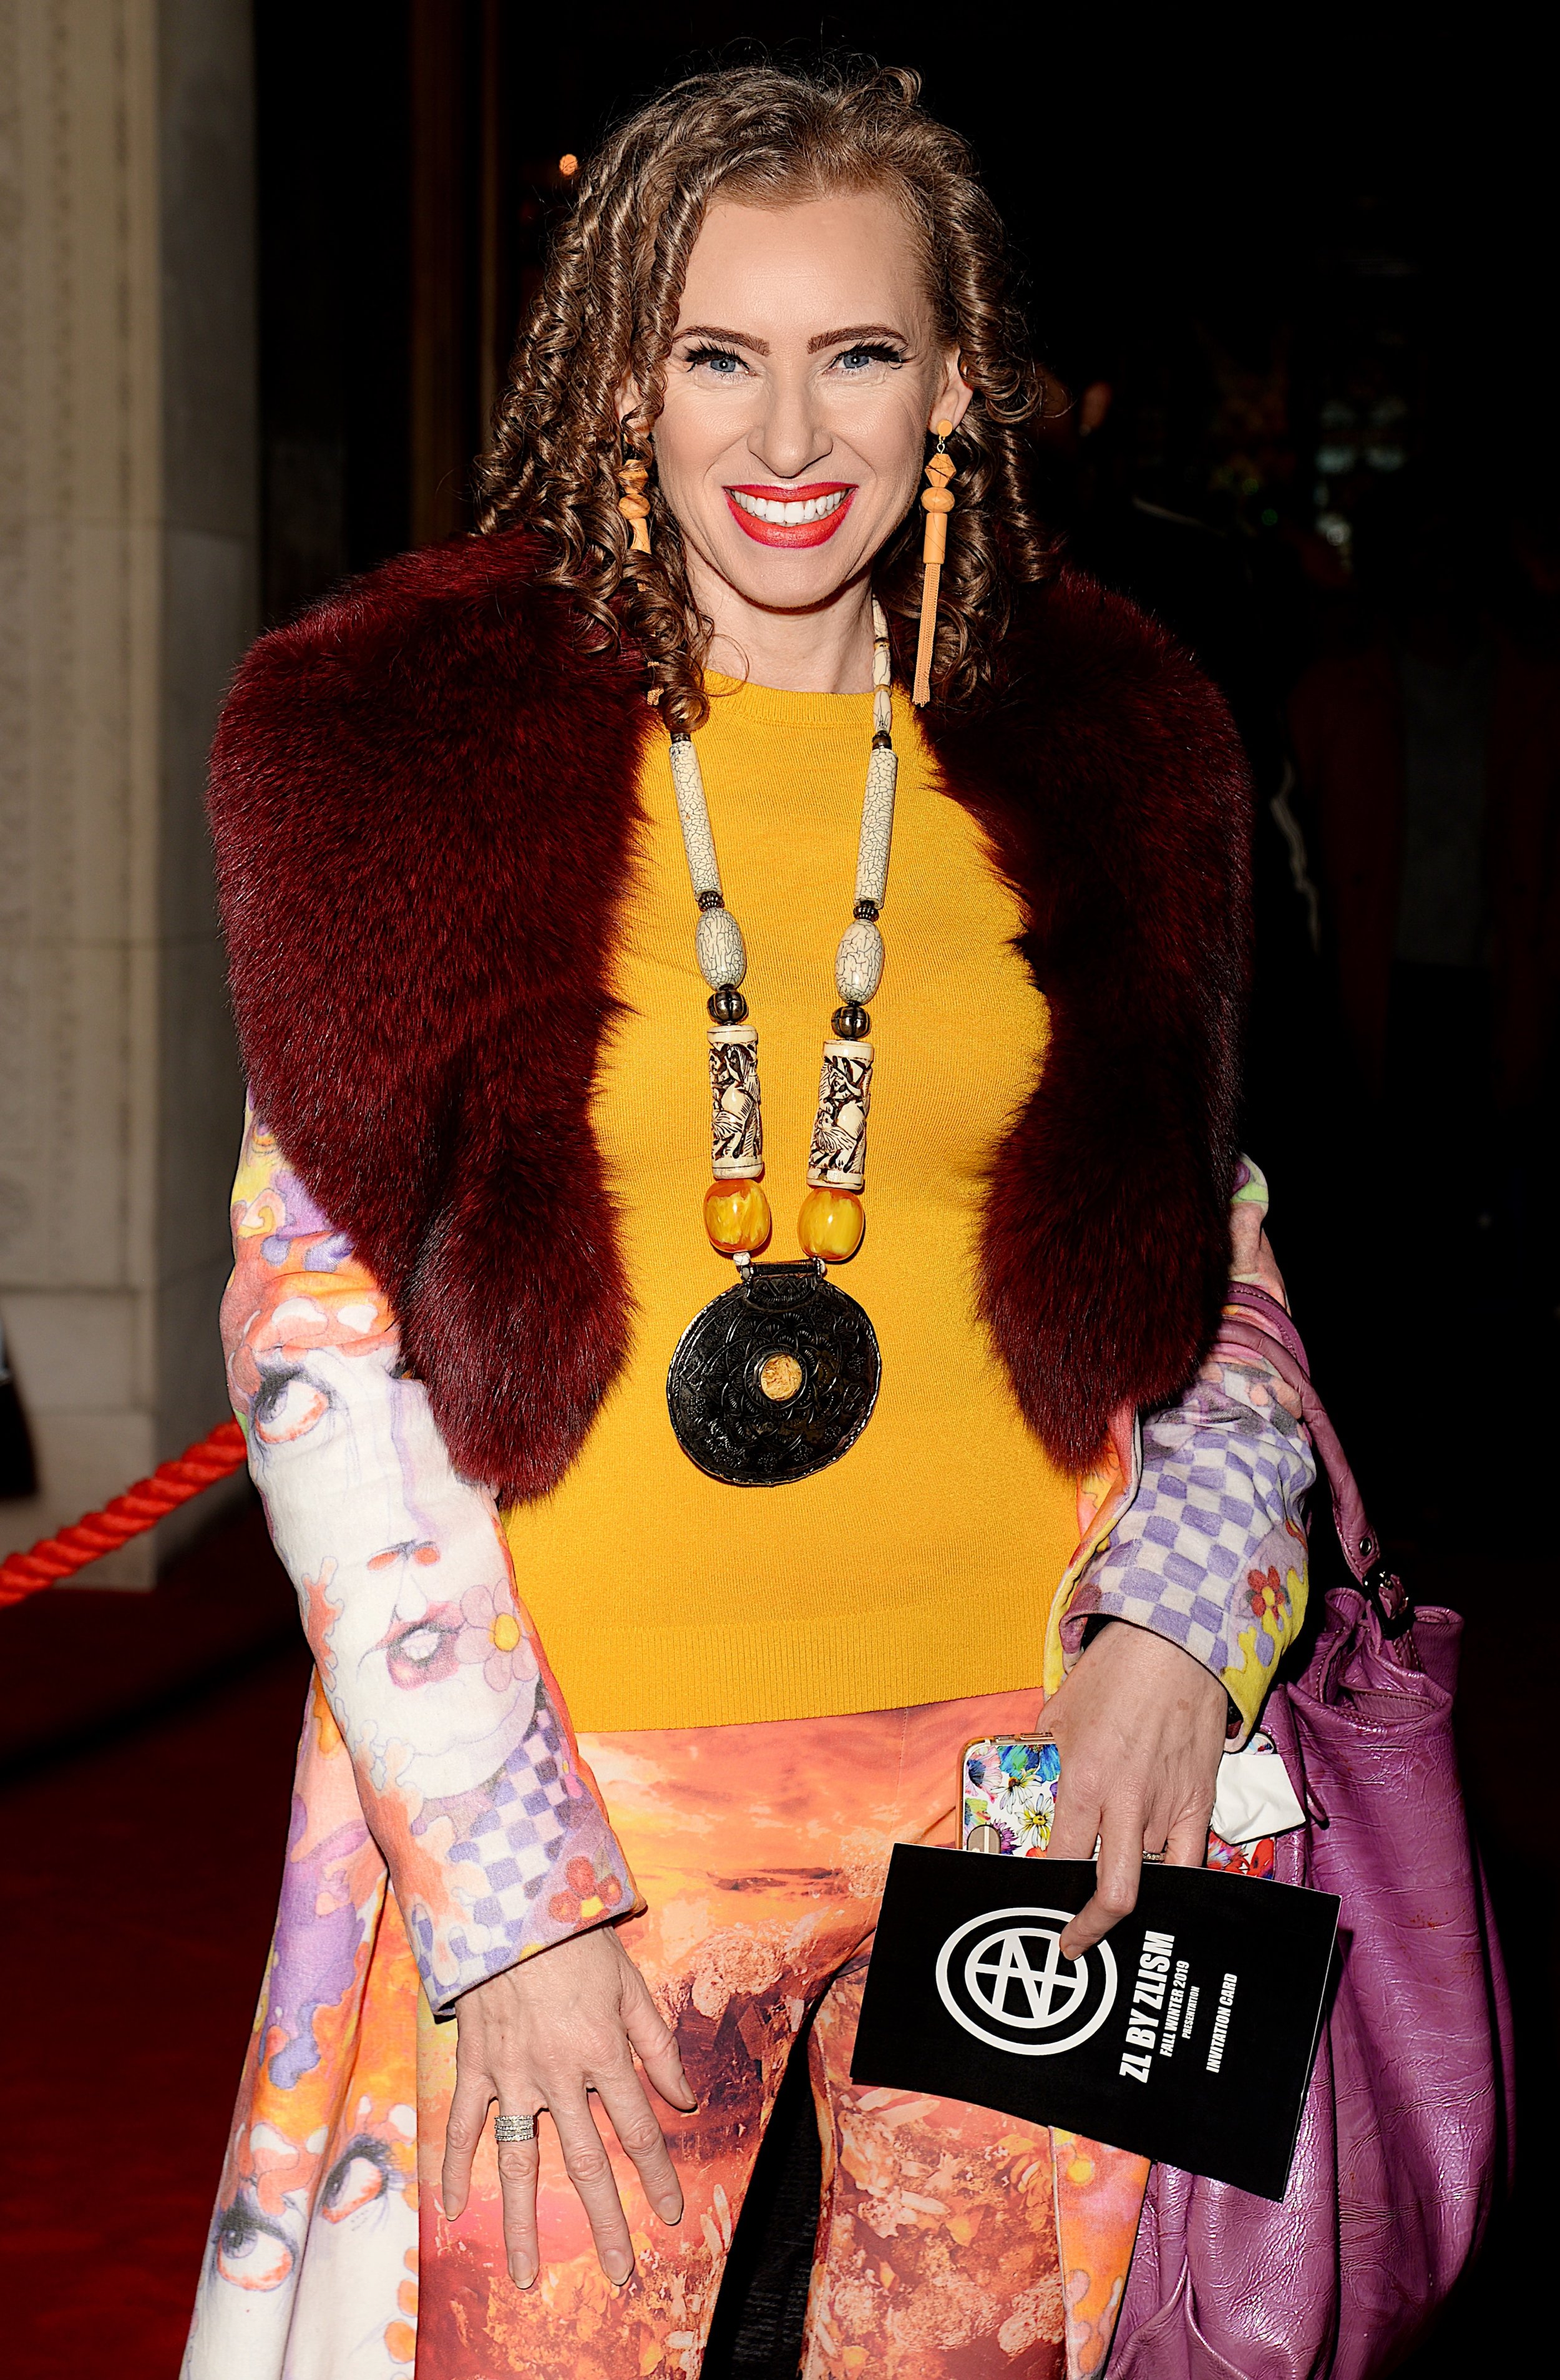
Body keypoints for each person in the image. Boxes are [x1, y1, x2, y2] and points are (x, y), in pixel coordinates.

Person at [183, 64, 1315, 2380]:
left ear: (958, 383)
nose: (788, 433)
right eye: (716, 353)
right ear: (619, 380)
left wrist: (1167, 1642)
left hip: (1033, 1805)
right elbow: (316, 1345)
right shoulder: (407, 760)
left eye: (857, 352)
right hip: (590, 1797)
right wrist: (505, 1890)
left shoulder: (1114, 755)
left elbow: (1217, 1271)